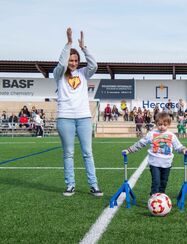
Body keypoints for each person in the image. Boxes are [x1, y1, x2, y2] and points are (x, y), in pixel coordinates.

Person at [53, 27, 103, 197]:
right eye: (70, 60)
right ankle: (70, 185)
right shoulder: (58, 74)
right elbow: (60, 64)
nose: (72, 63)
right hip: (65, 118)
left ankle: (94, 185)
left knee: (88, 153)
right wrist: (68, 44)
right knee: (68, 153)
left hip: (84, 118)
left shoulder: (83, 73)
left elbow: (94, 65)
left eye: (75, 60)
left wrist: (84, 47)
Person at [122, 112, 187, 195]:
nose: (162, 127)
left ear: (168, 124)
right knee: (156, 182)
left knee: (163, 183)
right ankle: (153, 197)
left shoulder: (171, 135)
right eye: (160, 124)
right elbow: (141, 143)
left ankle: (161, 197)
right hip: (154, 163)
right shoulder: (151, 134)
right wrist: (129, 150)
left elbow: (178, 146)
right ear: (156, 123)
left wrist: (184, 150)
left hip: (167, 164)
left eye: (165, 125)